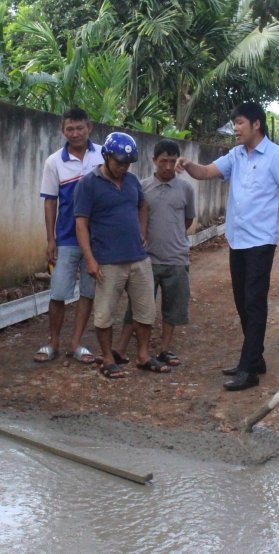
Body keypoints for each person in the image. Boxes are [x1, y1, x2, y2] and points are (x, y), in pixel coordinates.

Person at [176, 102, 279, 391]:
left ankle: (249, 370)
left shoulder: (277, 156)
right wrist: (188, 165)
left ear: (257, 124)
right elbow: (207, 172)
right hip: (238, 238)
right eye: (234, 123)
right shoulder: (236, 155)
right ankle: (254, 359)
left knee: (254, 303)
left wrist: (271, 218)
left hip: (260, 240)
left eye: (240, 123)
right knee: (242, 302)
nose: (236, 128)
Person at [75, 132, 170, 379]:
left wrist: (141, 231)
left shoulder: (131, 181)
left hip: (138, 258)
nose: (122, 167)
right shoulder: (88, 183)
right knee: (104, 313)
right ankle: (108, 358)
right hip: (107, 261)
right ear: (105, 157)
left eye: (127, 163)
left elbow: (142, 205)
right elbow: (81, 224)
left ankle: (143, 355)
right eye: (118, 162)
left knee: (145, 310)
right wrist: (90, 259)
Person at [117, 139, 196, 367]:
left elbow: (188, 219)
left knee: (172, 308)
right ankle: (120, 349)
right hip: (146, 259)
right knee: (138, 306)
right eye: (163, 162)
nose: (168, 167)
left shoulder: (186, 189)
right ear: (154, 161)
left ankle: (165, 349)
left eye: (173, 162)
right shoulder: (141, 187)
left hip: (176, 259)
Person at [36, 107, 104, 364]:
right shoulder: (54, 162)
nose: (75, 134)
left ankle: (75, 343)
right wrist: (50, 239)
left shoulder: (103, 156)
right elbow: (50, 202)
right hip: (65, 238)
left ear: (90, 127)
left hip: (97, 240)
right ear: (62, 131)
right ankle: (53, 342)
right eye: (69, 129)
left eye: (79, 128)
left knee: (88, 292)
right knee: (58, 292)